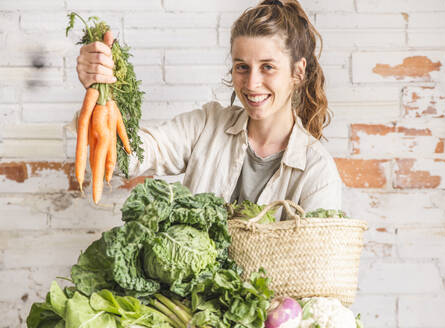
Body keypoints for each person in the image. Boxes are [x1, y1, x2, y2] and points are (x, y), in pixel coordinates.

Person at [75, 0, 342, 219]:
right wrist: (102, 93)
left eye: (267, 67)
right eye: (242, 67)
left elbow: (315, 270)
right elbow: (129, 158)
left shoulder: (317, 172)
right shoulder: (207, 125)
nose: (251, 83)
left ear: (298, 71)